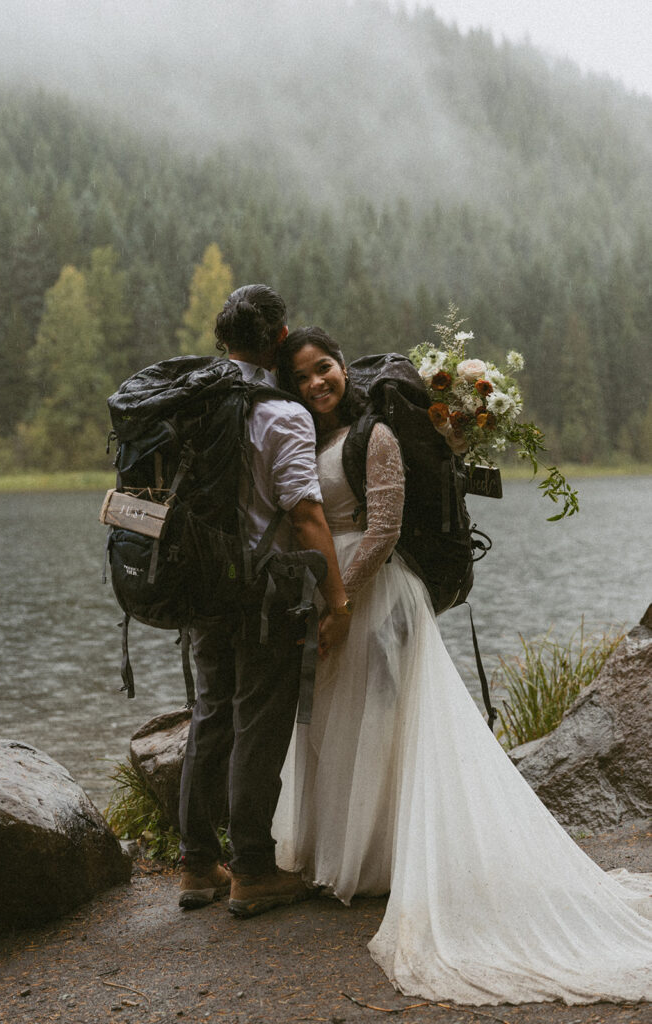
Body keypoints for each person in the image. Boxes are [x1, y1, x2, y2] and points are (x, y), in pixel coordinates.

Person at [272, 325, 652, 1005]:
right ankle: (352, 859)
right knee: (340, 721)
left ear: (340, 366)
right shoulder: (314, 441)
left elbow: (384, 528)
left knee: (388, 726)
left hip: (377, 598)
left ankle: (385, 862)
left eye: (322, 368)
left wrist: (339, 601)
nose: (314, 384)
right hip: (331, 596)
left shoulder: (374, 436)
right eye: (300, 377)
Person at [178, 288, 352, 919]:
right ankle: (252, 869)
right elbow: (305, 515)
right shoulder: (283, 414)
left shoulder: (196, 398)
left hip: (201, 584)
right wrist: (338, 599)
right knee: (258, 722)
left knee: (211, 713)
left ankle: (197, 864)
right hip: (264, 590)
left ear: (223, 342)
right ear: (280, 339)